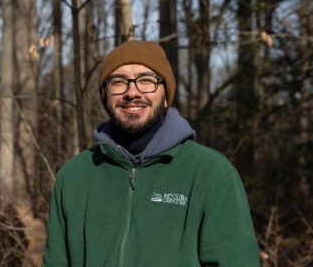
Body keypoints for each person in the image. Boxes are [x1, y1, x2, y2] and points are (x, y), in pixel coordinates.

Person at [41, 40, 260, 266]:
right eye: (118, 82)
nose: (132, 92)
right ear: (105, 96)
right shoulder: (74, 176)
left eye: (147, 81)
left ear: (165, 96)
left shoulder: (211, 174)